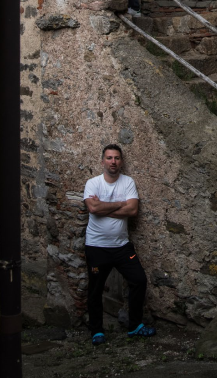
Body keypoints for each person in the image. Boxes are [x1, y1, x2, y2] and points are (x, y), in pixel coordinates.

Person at [83, 144, 155, 345]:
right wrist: (120, 204)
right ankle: (97, 330)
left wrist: (103, 207)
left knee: (139, 280)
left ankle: (135, 326)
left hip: (122, 246)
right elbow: (92, 207)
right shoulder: (93, 183)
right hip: (96, 246)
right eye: (109, 158)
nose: (113, 161)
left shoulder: (128, 182)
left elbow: (132, 211)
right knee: (96, 289)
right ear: (102, 161)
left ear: (121, 161)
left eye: (116, 158)